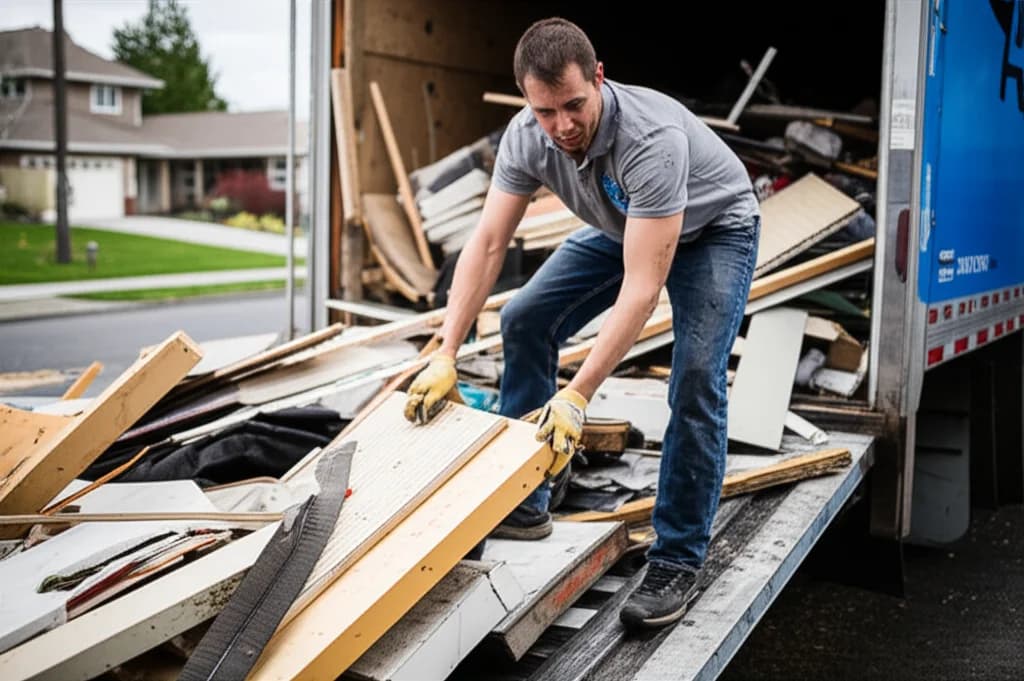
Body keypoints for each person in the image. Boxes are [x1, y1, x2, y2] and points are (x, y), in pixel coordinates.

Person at [403, 17, 760, 630]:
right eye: (546, 111)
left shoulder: (650, 139)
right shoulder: (526, 137)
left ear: (598, 77)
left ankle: (677, 559)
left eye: (574, 105)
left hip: (715, 230)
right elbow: (487, 243)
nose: (563, 125)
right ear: (525, 99)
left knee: (697, 376)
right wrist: (446, 351)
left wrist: (577, 395)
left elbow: (642, 288)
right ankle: (526, 495)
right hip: (627, 227)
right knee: (524, 317)